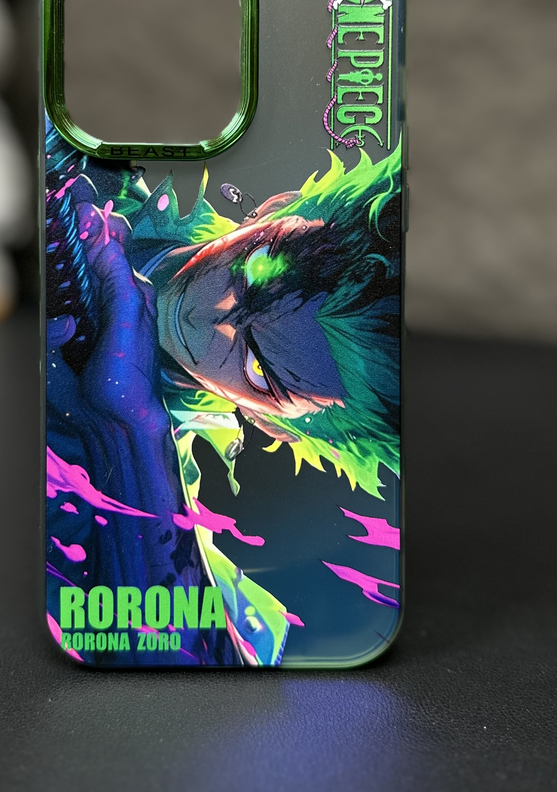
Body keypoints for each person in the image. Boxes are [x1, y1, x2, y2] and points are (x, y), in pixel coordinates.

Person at [44, 121, 401, 665]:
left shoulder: (228, 605)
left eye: (259, 369)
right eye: (261, 270)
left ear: (273, 423)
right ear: (273, 208)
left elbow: (181, 681)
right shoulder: (90, 157)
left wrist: (129, 435)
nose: (215, 318)